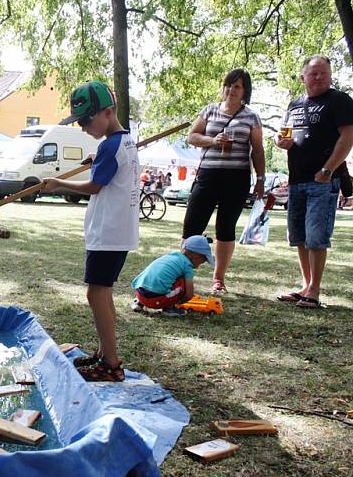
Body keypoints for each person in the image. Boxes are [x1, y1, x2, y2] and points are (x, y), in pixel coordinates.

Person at [40, 81, 139, 383]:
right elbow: (112, 173)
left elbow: (96, 186)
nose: (82, 127)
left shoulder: (110, 146)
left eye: (86, 120)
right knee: (102, 292)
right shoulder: (124, 142)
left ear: (108, 112)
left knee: (96, 294)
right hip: (118, 231)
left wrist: (59, 183)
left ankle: (111, 363)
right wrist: (97, 162)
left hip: (108, 233)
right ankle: (104, 352)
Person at [275, 55, 353, 308]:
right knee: (299, 237)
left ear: (330, 75)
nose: (319, 77)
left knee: (316, 237)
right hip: (297, 180)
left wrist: (328, 170)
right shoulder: (294, 104)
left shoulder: (339, 101)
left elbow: (348, 137)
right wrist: (280, 141)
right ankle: (306, 286)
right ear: (303, 77)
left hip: (323, 181)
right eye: (313, 73)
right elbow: (283, 135)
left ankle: (315, 291)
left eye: (324, 73)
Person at [184, 68, 266, 294]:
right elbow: (192, 136)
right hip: (208, 175)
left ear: (245, 91)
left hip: (237, 178)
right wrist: (212, 140)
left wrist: (260, 179)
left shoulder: (251, 117)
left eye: (237, 86)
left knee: (226, 228)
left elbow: (257, 151)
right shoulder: (209, 110)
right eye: (229, 85)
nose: (231, 90)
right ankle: (181, 272)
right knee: (192, 225)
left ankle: (218, 279)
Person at [130, 235, 214, 316]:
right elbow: (189, 295)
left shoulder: (171, 255)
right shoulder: (187, 266)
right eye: (202, 262)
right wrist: (178, 303)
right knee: (183, 282)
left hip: (140, 294)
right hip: (155, 301)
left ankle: (139, 303)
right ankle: (169, 309)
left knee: (160, 278)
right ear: (196, 257)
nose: (200, 265)